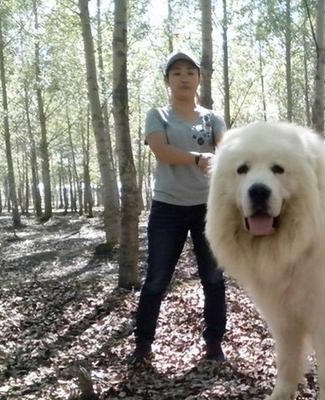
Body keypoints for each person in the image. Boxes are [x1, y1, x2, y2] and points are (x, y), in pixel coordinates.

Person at [132, 50, 227, 363]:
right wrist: (198, 158)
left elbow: (225, 153)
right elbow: (161, 151)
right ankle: (143, 345)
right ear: (168, 81)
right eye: (176, 73)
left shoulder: (212, 119)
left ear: (199, 78)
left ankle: (214, 343)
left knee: (213, 279)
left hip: (207, 208)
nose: (184, 77)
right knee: (156, 280)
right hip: (167, 208)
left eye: (190, 72)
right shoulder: (158, 115)